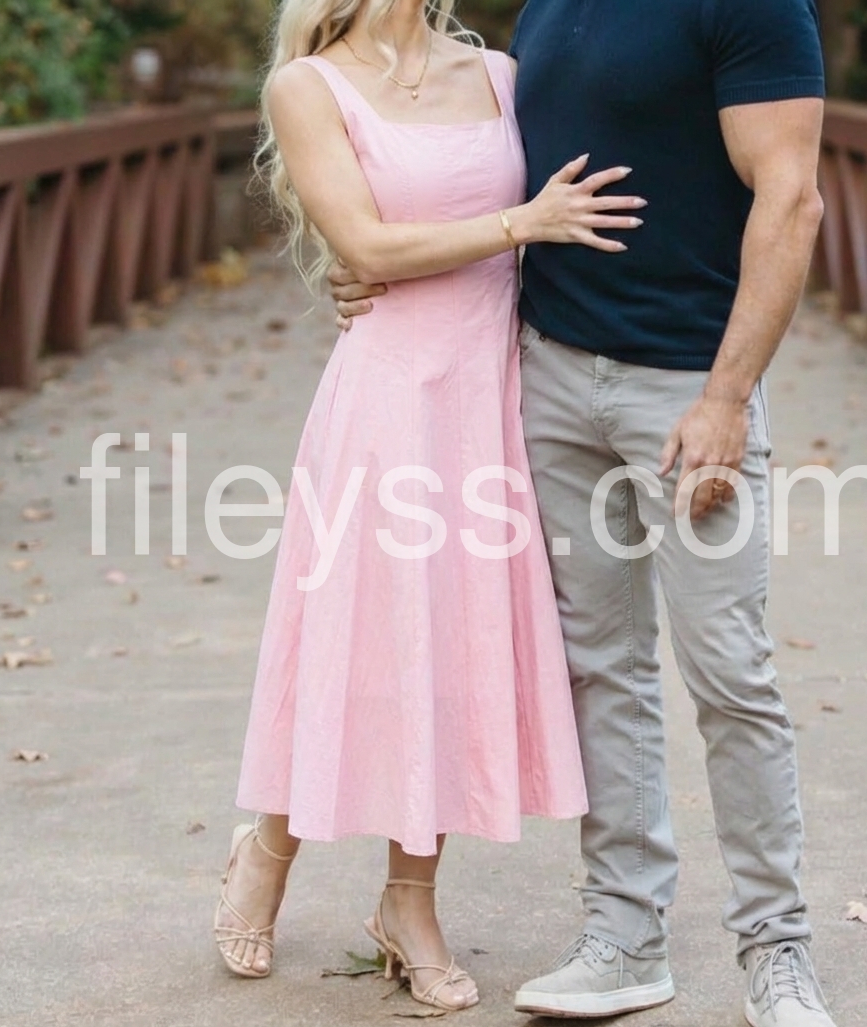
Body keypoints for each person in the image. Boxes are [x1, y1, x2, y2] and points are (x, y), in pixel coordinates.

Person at [331, 1, 835, 1024]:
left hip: (686, 388)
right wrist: (371, 259)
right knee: (602, 667)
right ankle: (625, 936)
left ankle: (777, 950)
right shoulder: (547, 8)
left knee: (730, 672)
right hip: (551, 375)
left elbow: (791, 201)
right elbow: (485, 176)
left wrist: (727, 397)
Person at [212, 0, 647, 1014]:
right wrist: (517, 223)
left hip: (491, 394)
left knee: (448, 646)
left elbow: (587, 194)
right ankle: (267, 850)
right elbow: (365, 245)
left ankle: (408, 905)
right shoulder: (306, 85)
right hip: (386, 400)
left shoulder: (499, 73)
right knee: (353, 638)